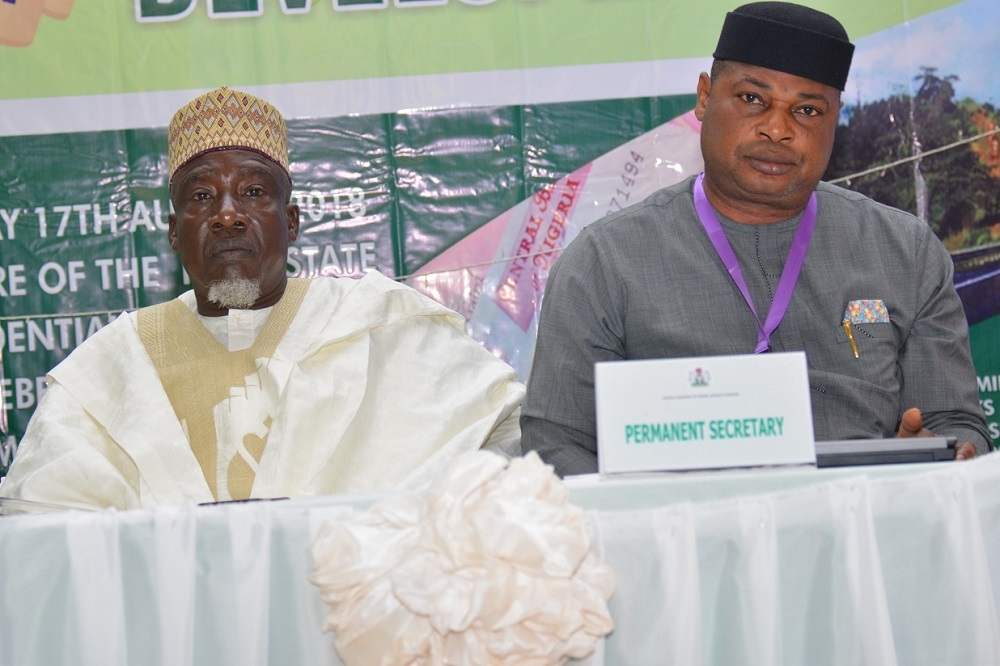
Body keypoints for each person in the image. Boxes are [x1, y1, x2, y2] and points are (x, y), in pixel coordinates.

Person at [521, 1, 992, 476]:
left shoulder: (905, 253)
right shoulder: (605, 263)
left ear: (835, 119)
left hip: (864, 529)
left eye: (807, 109)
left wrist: (941, 452)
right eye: (752, 99)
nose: (778, 128)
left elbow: (958, 424)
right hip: (682, 534)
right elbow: (557, 447)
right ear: (705, 97)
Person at [0, 86, 524, 509]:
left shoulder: (379, 329)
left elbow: (502, 440)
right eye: (202, 196)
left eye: (253, 192)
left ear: (291, 222)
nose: (227, 215)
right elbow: (42, 522)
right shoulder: (114, 364)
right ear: (173, 234)